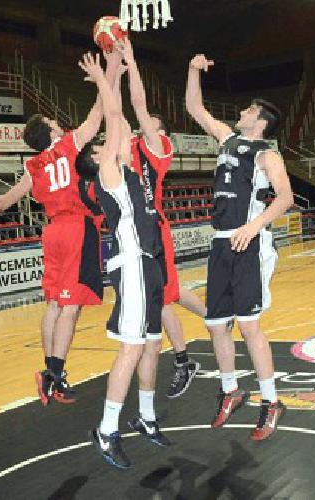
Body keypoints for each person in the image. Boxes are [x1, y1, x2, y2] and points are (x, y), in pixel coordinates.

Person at [0, 52, 111, 409]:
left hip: (52, 232)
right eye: (53, 120)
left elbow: (3, 204)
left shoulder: (32, 165)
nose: (59, 121)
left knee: (54, 305)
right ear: (52, 130)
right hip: (76, 228)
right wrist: (103, 80)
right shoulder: (69, 144)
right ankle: (54, 376)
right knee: (70, 307)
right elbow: (97, 116)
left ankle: (51, 373)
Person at [187, 52, 293, 441]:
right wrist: (192, 71)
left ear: (260, 121)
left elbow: (284, 197)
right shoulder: (226, 138)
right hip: (220, 242)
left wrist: (254, 225)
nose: (242, 111)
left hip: (249, 242)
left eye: (248, 109)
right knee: (215, 324)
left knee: (249, 326)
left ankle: (271, 401)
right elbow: (194, 107)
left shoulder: (268, 155)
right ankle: (231, 390)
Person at [76, 47, 170, 470]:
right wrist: (104, 77)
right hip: (131, 264)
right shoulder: (108, 174)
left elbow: (127, 116)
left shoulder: (132, 171)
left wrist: (117, 68)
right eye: (101, 146)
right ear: (95, 159)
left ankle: (146, 418)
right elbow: (115, 119)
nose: (112, 142)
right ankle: (107, 429)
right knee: (131, 349)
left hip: (149, 263)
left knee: (152, 344)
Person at [119, 39, 208, 399]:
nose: (145, 126)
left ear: (162, 134)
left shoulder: (158, 149)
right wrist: (111, 75)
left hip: (153, 229)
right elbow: (119, 114)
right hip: (133, 232)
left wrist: (131, 60)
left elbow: (137, 105)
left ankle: (185, 358)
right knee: (167, 295)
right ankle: (214, 316)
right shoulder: (131, 146)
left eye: (152, 125)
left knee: (164, 298)